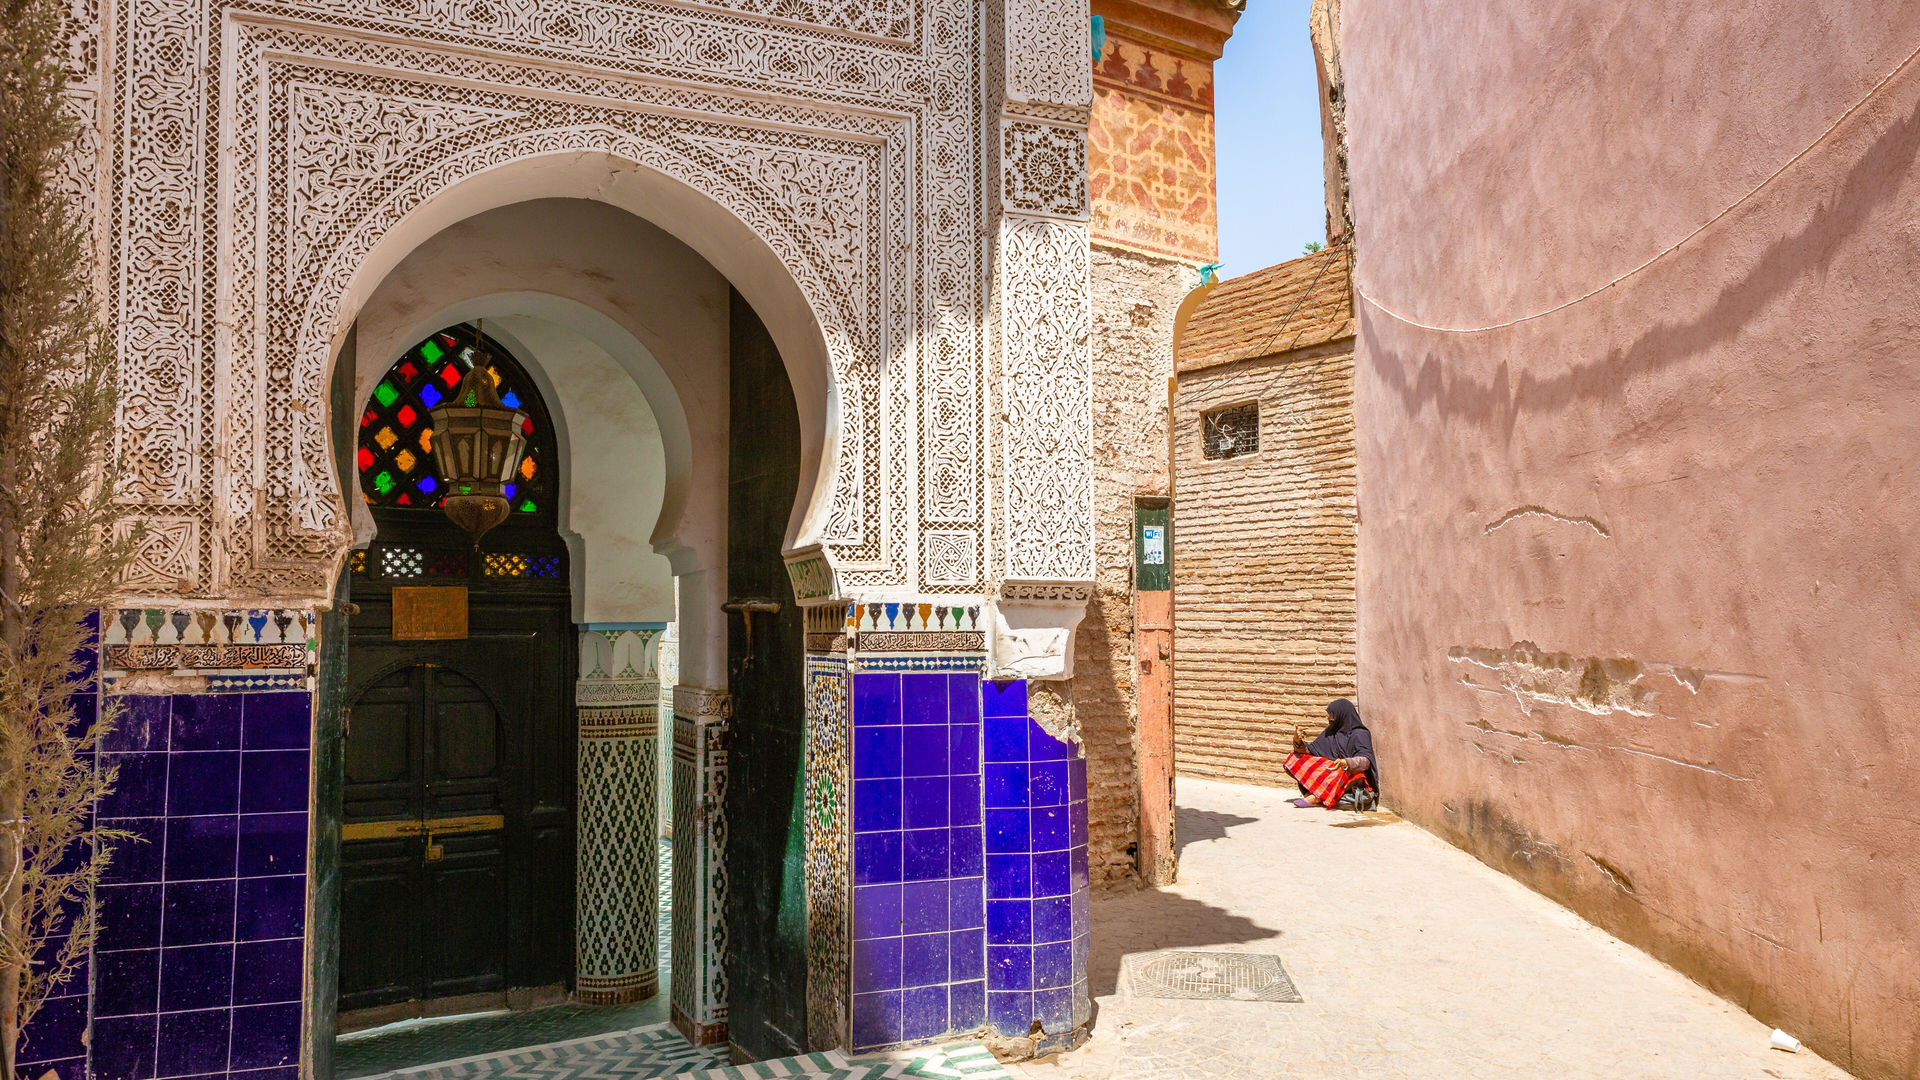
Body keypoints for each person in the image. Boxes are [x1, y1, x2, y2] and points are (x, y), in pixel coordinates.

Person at [1287, 698, 1377, 809]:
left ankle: (1316, 797)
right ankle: (1316, 794)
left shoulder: (1360, 734)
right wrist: (1297, 741)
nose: (1329, 718)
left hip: (1351, 773)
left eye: (1332, 715)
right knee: (1295, 759)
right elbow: (1313, 750)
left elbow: (1366, 761)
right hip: (1332, 770)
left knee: (1340, 771)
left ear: (1342, 715)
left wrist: (1346, 762)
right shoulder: (1331, 731)